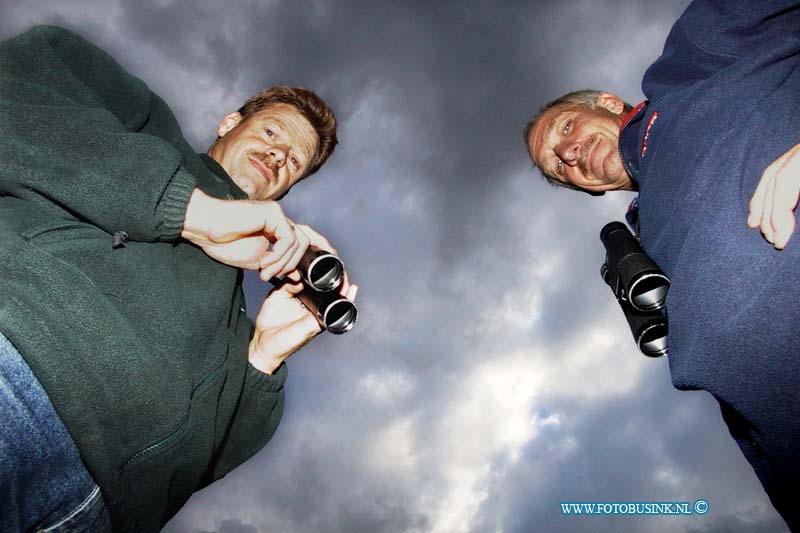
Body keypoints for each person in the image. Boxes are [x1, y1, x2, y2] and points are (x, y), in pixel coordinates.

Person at [0, 25, 356, 531]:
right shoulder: (147, 129)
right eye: (273, 133)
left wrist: (263, 355)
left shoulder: (231, 313)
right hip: (19, 372)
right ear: (231, 121)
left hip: (96, 511)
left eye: (294, 161)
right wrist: (188, 210)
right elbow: (18, 85)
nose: (278, 155)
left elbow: (205, 461)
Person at [525, 1, 800, 529]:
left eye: (564, 129)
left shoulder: (692, 64)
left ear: (607, 102)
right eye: (559, 168)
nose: (570, 155)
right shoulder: (639, 243)